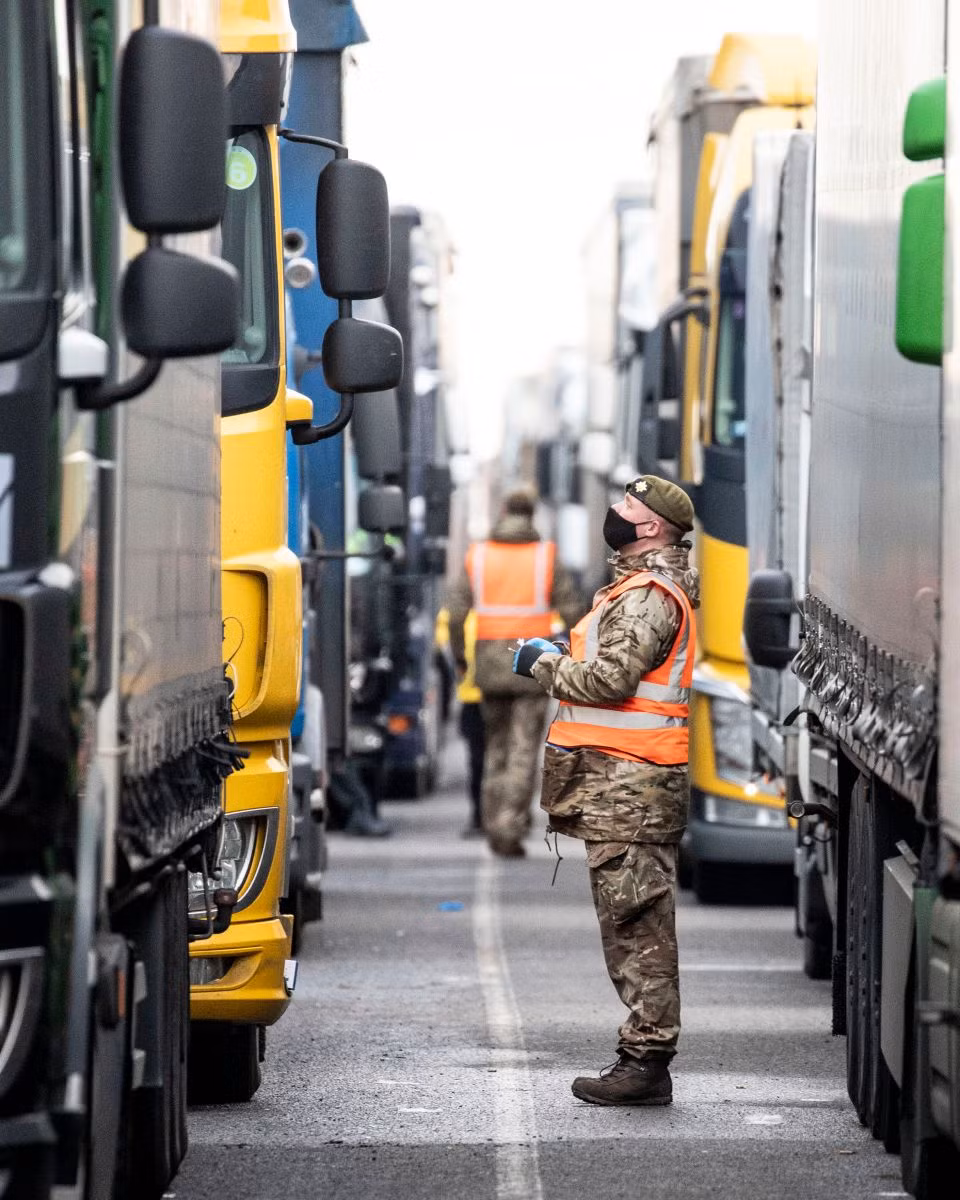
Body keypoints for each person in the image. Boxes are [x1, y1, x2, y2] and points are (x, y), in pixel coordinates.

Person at [512, 475, 699, 1106]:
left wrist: (542, 663)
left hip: (632, 788)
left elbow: (611, 680)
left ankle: (645, 1060)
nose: (613, 514)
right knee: (630, 924)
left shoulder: (648, 595)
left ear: (649, 527)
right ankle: (643, 1057)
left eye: (626, 507)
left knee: (639, 927)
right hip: (622, 786)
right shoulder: (633, 588)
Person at [447, 484, 583, 857]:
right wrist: (578, 652)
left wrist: (460, 657)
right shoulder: (545, 557)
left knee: (496, 747)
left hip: (489, 663)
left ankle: (493, 822)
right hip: (532, 663)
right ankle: (510, 825)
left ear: (505, 510)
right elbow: (572, 609)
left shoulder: (479, 556)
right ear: (532, 513)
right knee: (524, 749)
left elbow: (457, 612)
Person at [435, 607, 485, 835]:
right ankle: (486, 816)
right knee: (487, 761)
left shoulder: (455, 614)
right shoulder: (458, 614)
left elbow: (444, 648)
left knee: (480, 761)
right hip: (485, 698)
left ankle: (484, 817)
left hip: (480, 698)